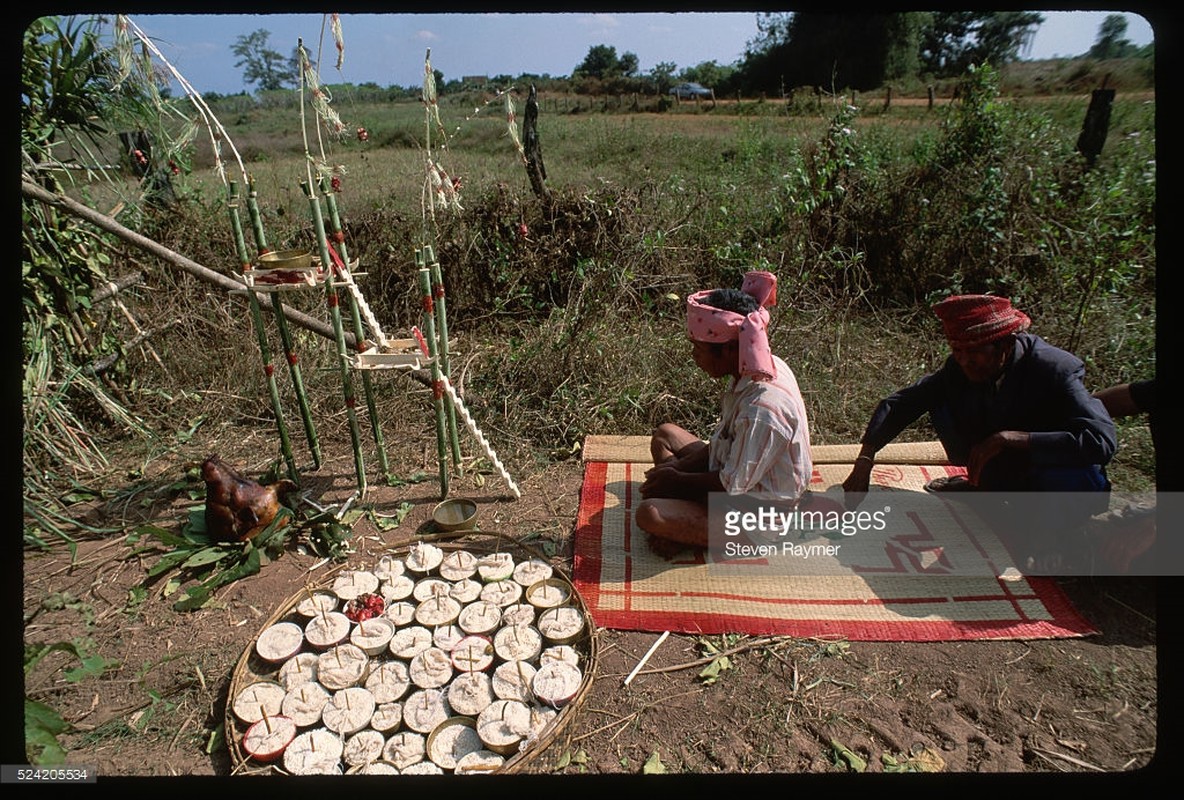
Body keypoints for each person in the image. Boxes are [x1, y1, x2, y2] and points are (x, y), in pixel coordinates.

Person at [841, 294, 1117, 566]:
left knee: (1063, 486)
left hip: (1060, 482)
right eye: (957, 351)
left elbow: (1101, 441)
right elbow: (902, 403)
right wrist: (866, 458)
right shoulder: (961, 368)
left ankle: (1053, 534)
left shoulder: (1055, 369)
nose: (964, 361)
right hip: (1009, 470)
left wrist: (1012, 439)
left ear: (1005, 345)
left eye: (974, 352)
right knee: (942, 400)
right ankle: (985, 487)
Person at [635, 271, 813, 550]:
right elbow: (725, 441)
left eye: (699, 349)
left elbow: (731, 485)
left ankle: (689, 528)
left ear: (730, 349)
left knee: (650, 514)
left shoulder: (763, 408)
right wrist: (678, 469)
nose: (695, 357)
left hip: (757, 512)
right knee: (665, 435)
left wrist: (677, 480)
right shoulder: (755, 368)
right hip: (736, 474)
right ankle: (682, 520)